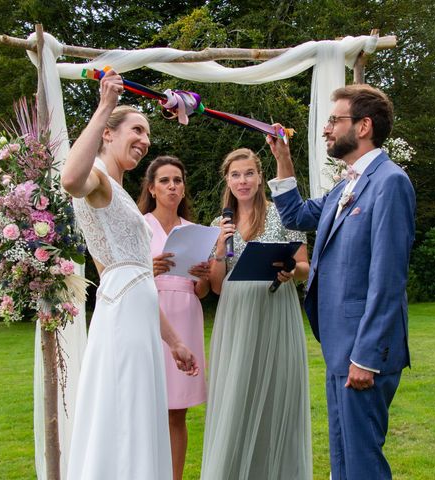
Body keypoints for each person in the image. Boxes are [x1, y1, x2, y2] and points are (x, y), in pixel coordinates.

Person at [266, 84, 416, 480]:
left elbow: (387, 278)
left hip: (363, 353)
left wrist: (366, 356)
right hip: (339, 345)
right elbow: (296, 215)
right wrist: (282, 158)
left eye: (334, 119)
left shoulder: (390, 183)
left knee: (362, 463)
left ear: (363, 126)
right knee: (343, 459)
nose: (326, 129)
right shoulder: (345, 186)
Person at [60, 70, 198, 480]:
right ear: (107, 134)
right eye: (137, 129)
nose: (144, 139)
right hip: (122, 321)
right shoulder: (98, 179)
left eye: (148, 133)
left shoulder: (120, 192)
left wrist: (174, 342)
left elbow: (134, 279)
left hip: (137, 314)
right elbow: (70, 179)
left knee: (138, 410)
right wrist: (104, 107)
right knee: (122, 409)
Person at [200, 148, 313, 480]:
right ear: (227, 180)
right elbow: (217, 286)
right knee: (237, 394)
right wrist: (220, 249)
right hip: (235, 313)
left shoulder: (285, 215)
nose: (243, 181)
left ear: (260, 176)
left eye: (249, 173)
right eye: (235, 175)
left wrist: (292, 270)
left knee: (278, 391)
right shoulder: (218, 224)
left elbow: (305, 266)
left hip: (275, 309)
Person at [137, 155, 210, 480]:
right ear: (152, 188)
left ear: (183, 189)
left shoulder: (195, 231)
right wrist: (146, 269)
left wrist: (203, 276)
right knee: (143, 405)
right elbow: (122, 274)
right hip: (149, 313)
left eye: (177, 180)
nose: (172, 186)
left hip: (186, 314)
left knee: (175, 412)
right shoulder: (139, 226)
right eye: (165, 180)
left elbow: (203, 291)